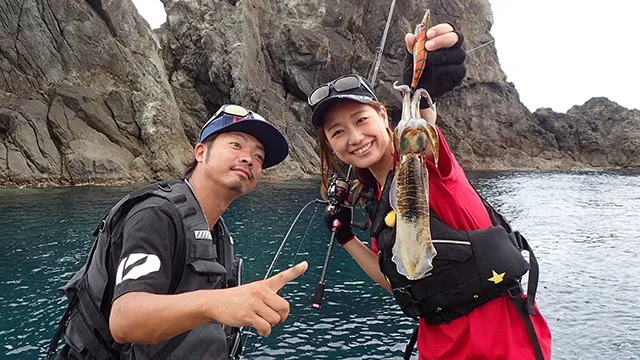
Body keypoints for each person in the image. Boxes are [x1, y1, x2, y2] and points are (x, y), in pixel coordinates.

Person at [307, 23, 552, 360]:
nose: (354, 137)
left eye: (361, 120)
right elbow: (401, 276)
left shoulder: (429, 165)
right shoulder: (377, 200)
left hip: (501, 345)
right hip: (438, 348)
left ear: (383, 115)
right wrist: (348, 237)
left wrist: (422, 88)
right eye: (338, 132)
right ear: (330, 145)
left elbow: (423, 127)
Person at [47, 104, 308, 360]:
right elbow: (126, 319)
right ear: (201, 152)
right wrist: (216, 303)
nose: (248, 158)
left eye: (258, 156)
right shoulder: (156, 214)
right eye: (236, 145)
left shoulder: (217, 232)